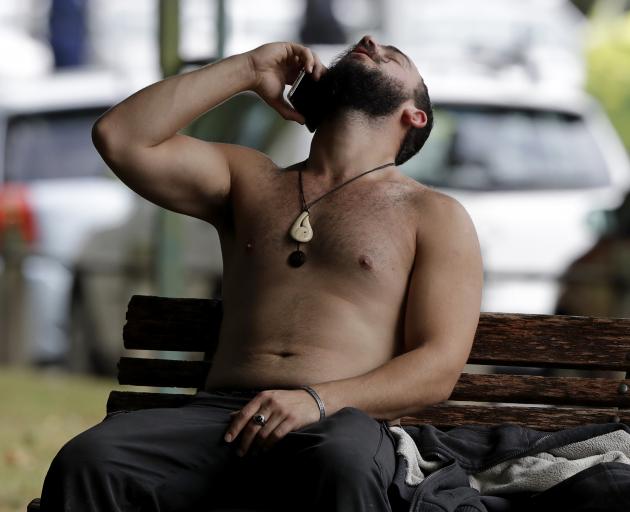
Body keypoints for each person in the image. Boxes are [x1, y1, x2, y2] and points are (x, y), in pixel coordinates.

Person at [40, 35, 483, 511]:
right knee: (90, 459)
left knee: (340, 463)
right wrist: (248, 70)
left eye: (393, 58)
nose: (369, 41)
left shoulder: (432, 214)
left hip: (342, 422)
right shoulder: (249, 180)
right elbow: (120, 136)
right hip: (220, 418)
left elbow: (438, 366)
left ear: (413, 115)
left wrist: (316, 401)